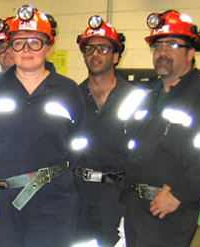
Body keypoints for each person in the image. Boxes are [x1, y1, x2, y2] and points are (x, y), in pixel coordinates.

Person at [0, 6, 85, 247]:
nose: (26, 50)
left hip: (54, 203)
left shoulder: (68, 90)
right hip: (1, 204)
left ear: (48, 47)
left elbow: (79, 144)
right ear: (10, 48)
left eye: (35, 42)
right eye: (19, 43)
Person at [118, 10, 200, 246]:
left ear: (191, 52)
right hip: (136, 207)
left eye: (171, 45)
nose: (162, 53)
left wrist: (180, 194)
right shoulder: (150, 96)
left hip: (170, 211)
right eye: (157, 46)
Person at [73, 15, 133, 247]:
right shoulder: (73, 97)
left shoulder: (137, 98)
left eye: (103, 49)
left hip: (118, 196)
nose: (95, 54)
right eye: (90, 49)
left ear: (116, 56)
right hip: (79, 194)